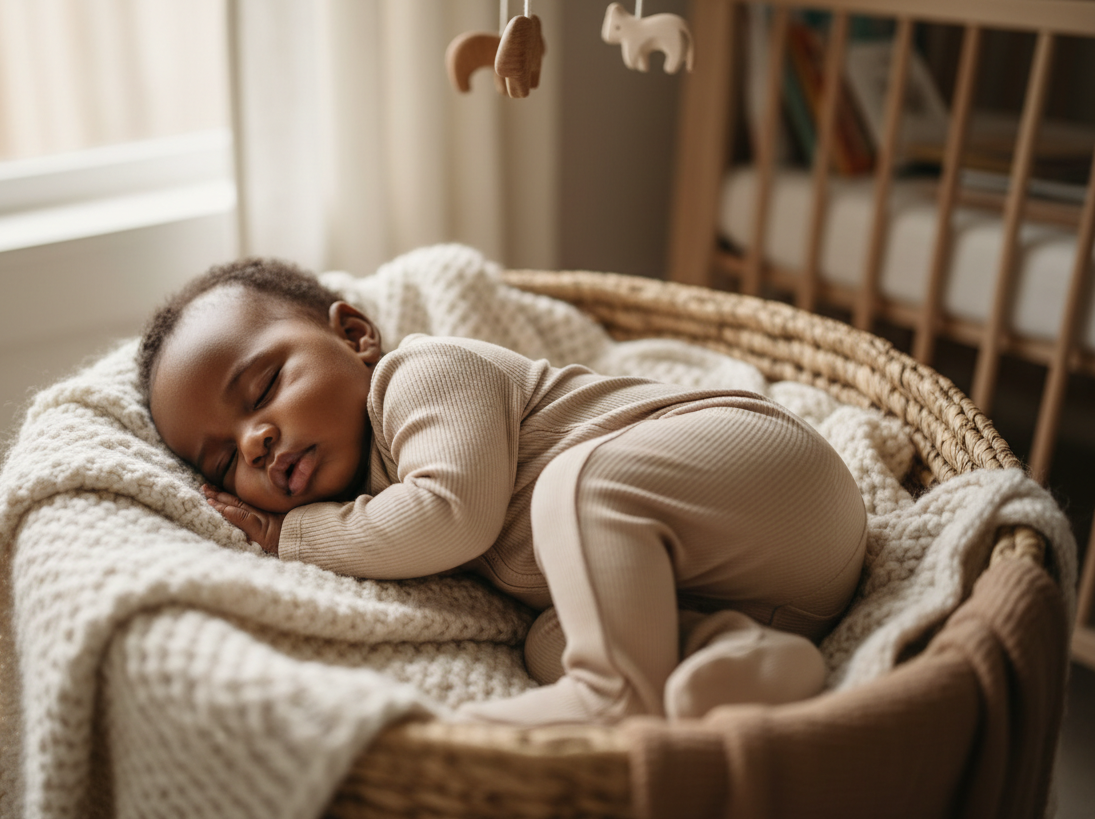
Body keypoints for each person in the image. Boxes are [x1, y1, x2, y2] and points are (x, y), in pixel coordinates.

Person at [139, 257, 868, 725]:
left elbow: (451, 517)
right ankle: (740, 655)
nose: (254, 442)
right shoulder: (371, 493)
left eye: (264, 386)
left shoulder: (420, 376)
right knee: (553, 640)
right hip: (750, 582)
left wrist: (288, 537)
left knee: (576, 486)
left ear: (356, 335)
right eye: (222, 462)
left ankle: (614, 694)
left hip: (776, 474)